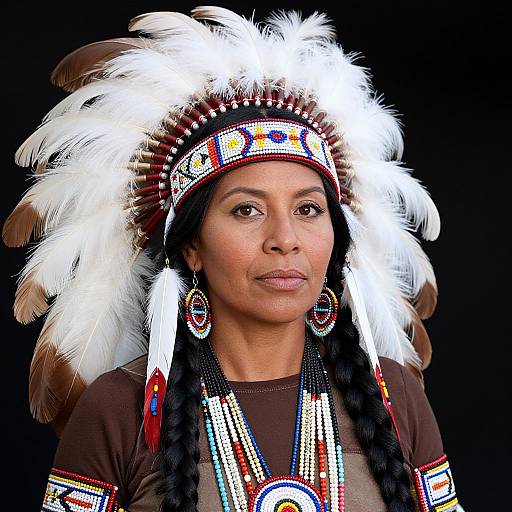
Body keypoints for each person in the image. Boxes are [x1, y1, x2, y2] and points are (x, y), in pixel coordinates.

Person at [3, 6, 465, 512]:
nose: (285, 239)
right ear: (192, 246)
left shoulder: (392, 396)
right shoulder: (119, 410)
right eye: (247, 210)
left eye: (308, 209)